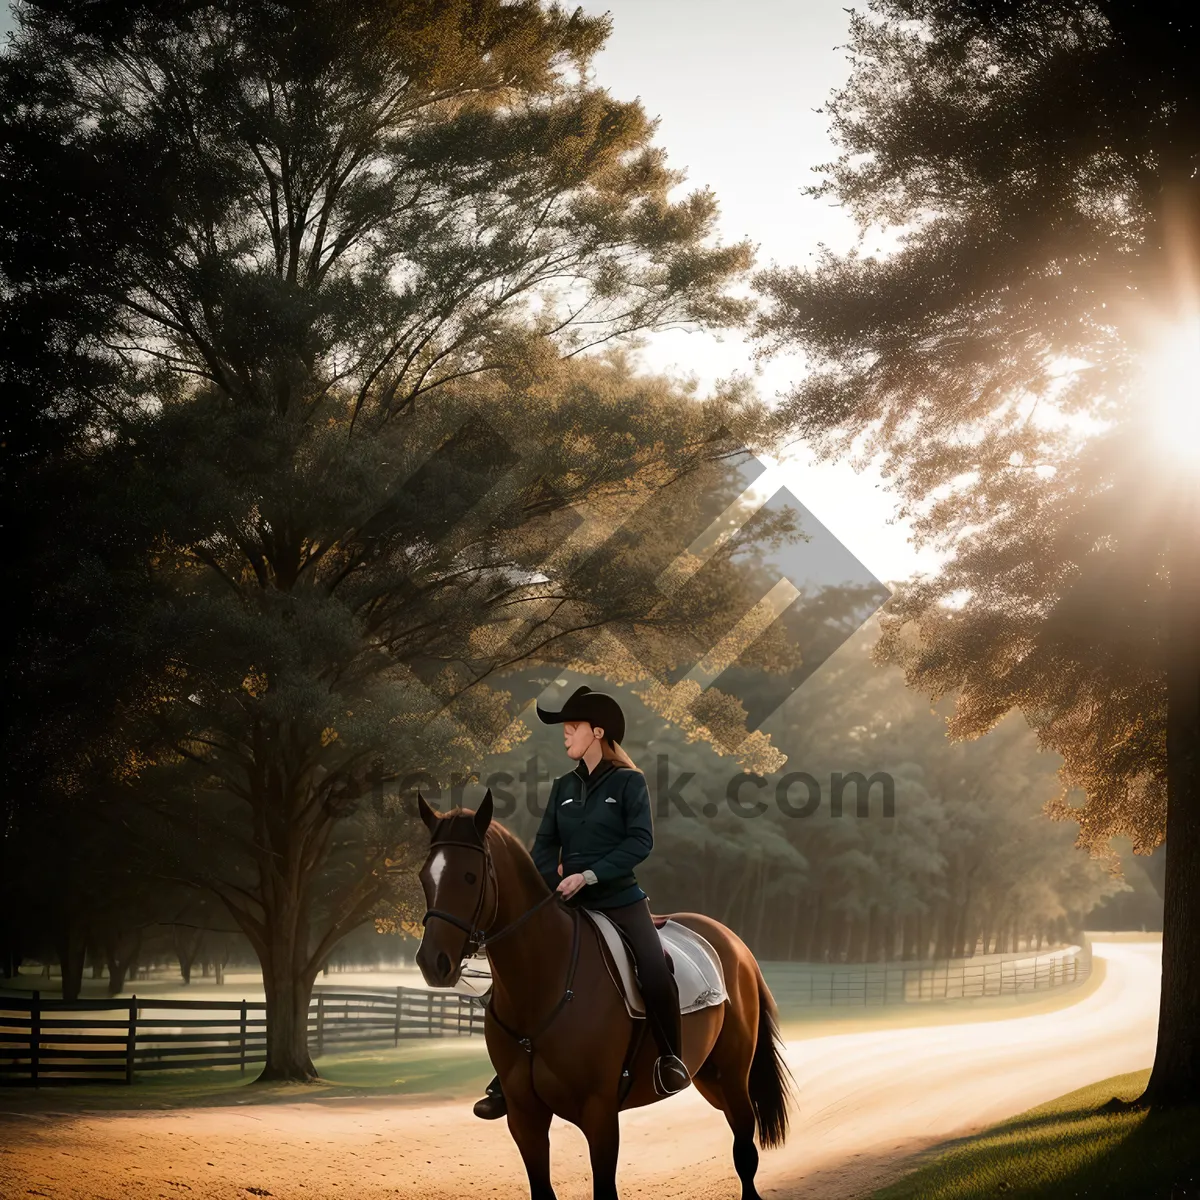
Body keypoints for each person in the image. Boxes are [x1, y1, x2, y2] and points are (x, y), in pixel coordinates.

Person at [473, 684, 689, 1119]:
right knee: (517, 976)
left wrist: (589, 874)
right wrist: (535, 891)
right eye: (565, 729)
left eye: (572, 728)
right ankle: (507, 1075)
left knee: (655, 967)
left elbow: (640, 842)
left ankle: (670, 1060)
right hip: (566, 904)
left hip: (620, 900)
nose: (566, 735)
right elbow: (542, 847)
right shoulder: (562, 787)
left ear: (597, 731)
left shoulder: (630, 783)